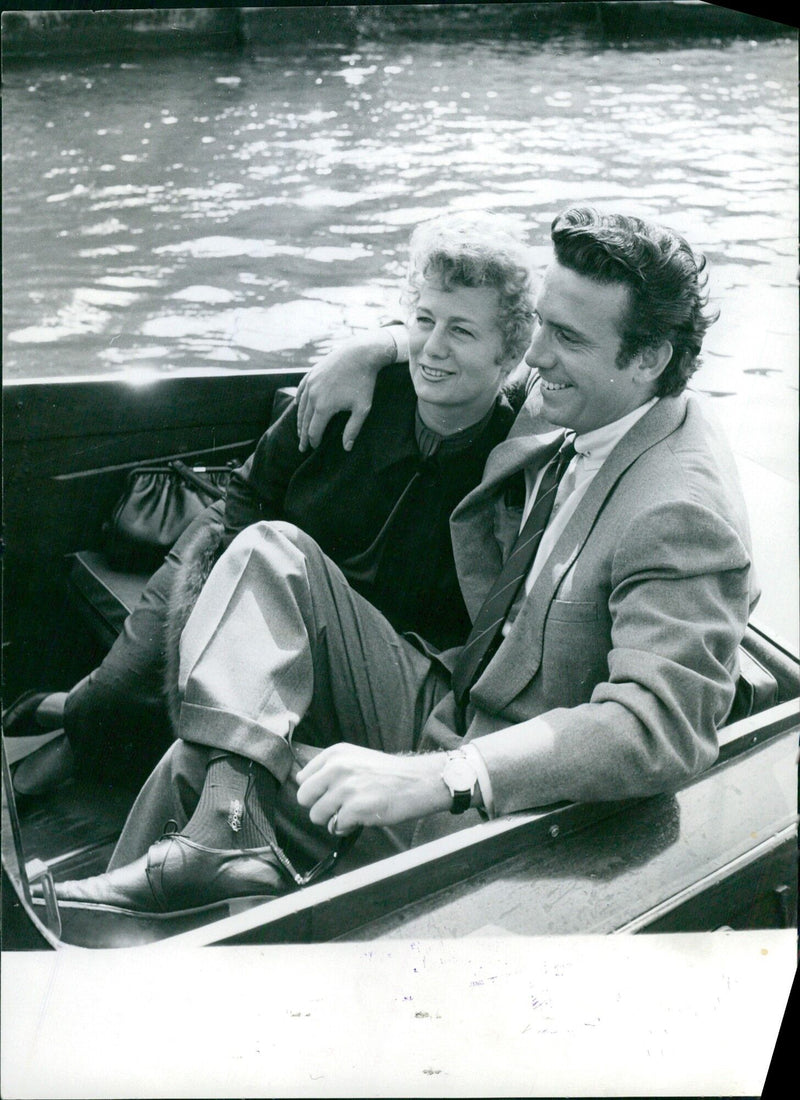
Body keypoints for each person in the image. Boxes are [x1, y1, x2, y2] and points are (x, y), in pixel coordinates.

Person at [41, 206, 758, 918]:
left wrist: (445, 776)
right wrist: (380, 345)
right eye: (540, 324)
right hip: (452, 691)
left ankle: (103, 944)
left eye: (564, 336)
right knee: (269, 552)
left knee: (191, 762)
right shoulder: (596, 401)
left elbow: (663, 727)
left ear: (648, 358)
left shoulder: (680, 508)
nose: (536, 356)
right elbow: (469, 355)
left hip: (506, 792)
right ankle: (217, 838)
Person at [5, 211, 534, 795]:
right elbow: (252, 490)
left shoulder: (516, 454)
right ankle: (68, 707)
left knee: (226, 731)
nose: (432, 348)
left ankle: (67, 714)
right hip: (242, 549)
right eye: (424, 320)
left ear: (508, 355)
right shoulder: (352, 392)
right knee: (115, 705)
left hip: (354, 629)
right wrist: (222, 606)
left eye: (461, 331)